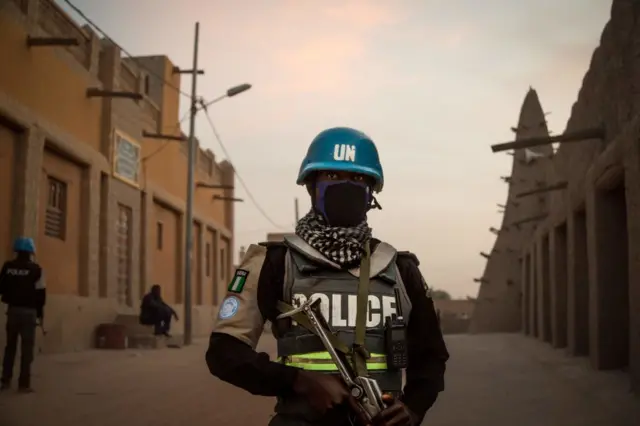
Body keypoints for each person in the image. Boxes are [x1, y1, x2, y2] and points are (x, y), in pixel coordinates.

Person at [206, 127, 449, 426]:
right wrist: (298, 381)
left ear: (371, 193)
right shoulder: (275, 263)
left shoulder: (400, 269)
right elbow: (224, 353)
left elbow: (431, 356)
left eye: (358, 179)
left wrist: (413, 407)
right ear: (311, 186)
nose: (346, 186)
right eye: (332, 177)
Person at [0, 237, 46, 393]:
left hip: (13, 311)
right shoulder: (37, 269)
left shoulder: (7, 267)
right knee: (27, 349)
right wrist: (40, 314)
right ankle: (23, 384)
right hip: (29, 313)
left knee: (10, 347)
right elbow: (41, 294)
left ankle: (5, 380)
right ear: (31, 252)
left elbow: (1, 287)